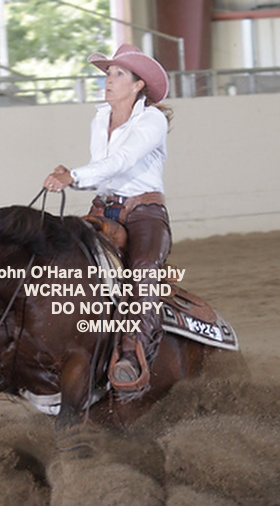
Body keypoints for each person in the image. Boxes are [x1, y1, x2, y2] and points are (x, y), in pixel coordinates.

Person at [43, 44, 172, 396]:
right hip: (103, 208)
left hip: (144, 213)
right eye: (108, 74)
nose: (109, 80)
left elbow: (123, 161)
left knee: (143, 269)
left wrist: (73, 176)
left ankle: (131, 354)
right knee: (61, 257)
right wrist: (73, 176)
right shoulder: (100, 119)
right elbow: (103, 172)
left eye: (118, 74)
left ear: (138, 85)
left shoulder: (152, 120)